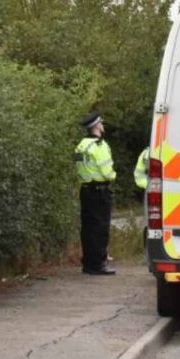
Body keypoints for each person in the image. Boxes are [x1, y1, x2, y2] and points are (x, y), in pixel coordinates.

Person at [75, 112, 116, 275]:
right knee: (100, 228)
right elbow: (107, 172)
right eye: (102, 123)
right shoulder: (99, 146)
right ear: (97, 125)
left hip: (85, 190)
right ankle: (98, 264)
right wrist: (114, 176)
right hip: (100, 191)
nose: (103, 126)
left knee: (87, 228)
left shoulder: (81, 145)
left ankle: (88, 262)